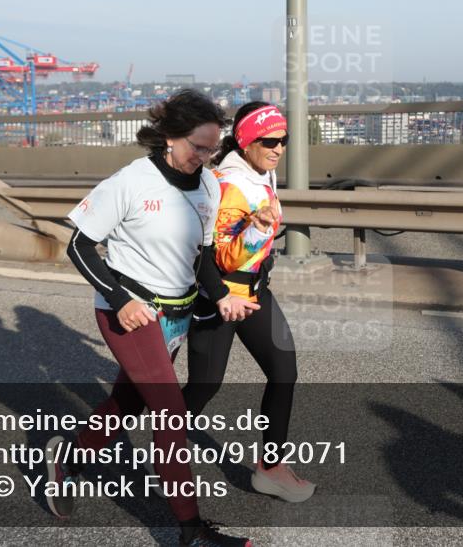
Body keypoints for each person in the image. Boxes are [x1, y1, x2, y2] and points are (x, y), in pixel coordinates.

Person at [49, 89, 258, 546]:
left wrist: (221, 295)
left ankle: (70, 458)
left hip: (178, 314)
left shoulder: (208, 185)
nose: (204, 158)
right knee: (170, 413)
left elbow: (201, 256)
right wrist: (118, 298)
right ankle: (190, 530)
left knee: (128, 403)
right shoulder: (131, 182)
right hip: (130, 312)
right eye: (197, 148)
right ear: (169, 137)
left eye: (212, 149)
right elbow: (79, 247)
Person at [182, 102, 316, 503]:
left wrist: (262, 239)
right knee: (204, 387)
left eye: (283, 140)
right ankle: (163, 445)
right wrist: (257, 233)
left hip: (256, 293)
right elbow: (219, 257)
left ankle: (271, 468)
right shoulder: (228, 185)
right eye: (269, 141)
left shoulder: (262, 174)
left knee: (284, 371)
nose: (278, 148)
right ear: (246, 142)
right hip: (219, 299)